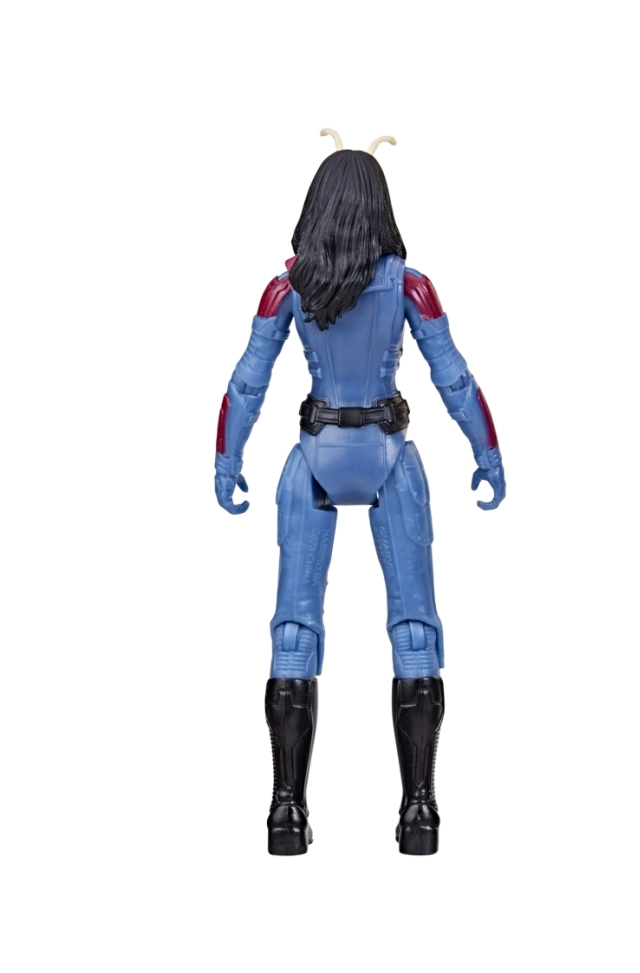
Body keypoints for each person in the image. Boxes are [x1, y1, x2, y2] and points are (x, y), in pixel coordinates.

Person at [214, 130, 506, 855]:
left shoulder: (287, 288)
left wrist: (226, 459)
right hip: (388, 452)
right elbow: (454, 378)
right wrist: (487, 450)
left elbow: (246, 384)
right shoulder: (409, 286)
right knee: (415, 630)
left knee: (293, 631)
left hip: (314, 453)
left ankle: (286, 812)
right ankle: (420, 812)